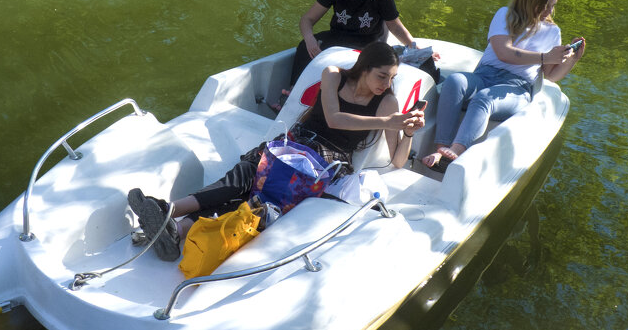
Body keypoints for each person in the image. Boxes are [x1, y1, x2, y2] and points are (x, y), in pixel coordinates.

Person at [129, 41, 425, 260]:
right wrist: (388, 121)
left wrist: (408, 131)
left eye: (392, 78)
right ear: (364, 69)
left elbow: (398, 161)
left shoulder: (387, 103)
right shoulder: (333, 75)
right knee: (245, 176)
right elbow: (334, 118)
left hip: (323, 164)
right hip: (292, 143)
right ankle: (171, 218)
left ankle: (172, 222)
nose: (386, 84)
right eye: (382, 76)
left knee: (261, 198)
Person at [422, 0, 586, 172]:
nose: (549, 11)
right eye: (545, 5)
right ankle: (441, 148)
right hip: (484, 75)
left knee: (484, 98)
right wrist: (545, 56)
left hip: (516, 88)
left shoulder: (553, 32)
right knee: (455, 81)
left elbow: (551, 76)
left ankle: (454, 152)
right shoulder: (505, 15)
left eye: (553, 6)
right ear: (530, 0)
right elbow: (504, 53)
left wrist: (572, 59)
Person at [288, 0, 419, 87]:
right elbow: (307, 19)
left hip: (368, 43)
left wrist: (416, 48)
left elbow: (395, 27)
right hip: (337, 37)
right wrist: (309, 39)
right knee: (304, 47)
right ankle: (292, 91)